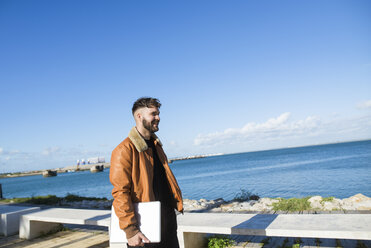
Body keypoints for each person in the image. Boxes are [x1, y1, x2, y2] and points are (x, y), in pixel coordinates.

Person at [110, 97, 183, 248]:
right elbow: (120, 193)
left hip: (167, 220)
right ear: (139, 116)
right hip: (144, 224)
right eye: (153, 114)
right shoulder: (123, 150)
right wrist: (130, 230)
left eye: (158, 113)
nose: (158, 118)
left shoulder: (156, 145)